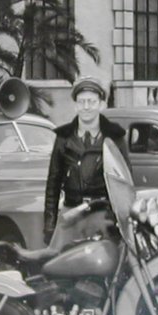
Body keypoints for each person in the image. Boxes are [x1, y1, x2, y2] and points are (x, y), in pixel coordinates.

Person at [43, 77, 128, 247]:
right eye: (81, 102)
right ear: (75, 105)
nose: (86, 107)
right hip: (71, 215)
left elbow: (125, 183)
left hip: (102, 216)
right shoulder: (63, 138)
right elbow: (53, 185)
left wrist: (117, 221)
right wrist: (50, 225)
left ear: (101, 105)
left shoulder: (114, 137)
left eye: (91, 102)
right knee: (59, 264)